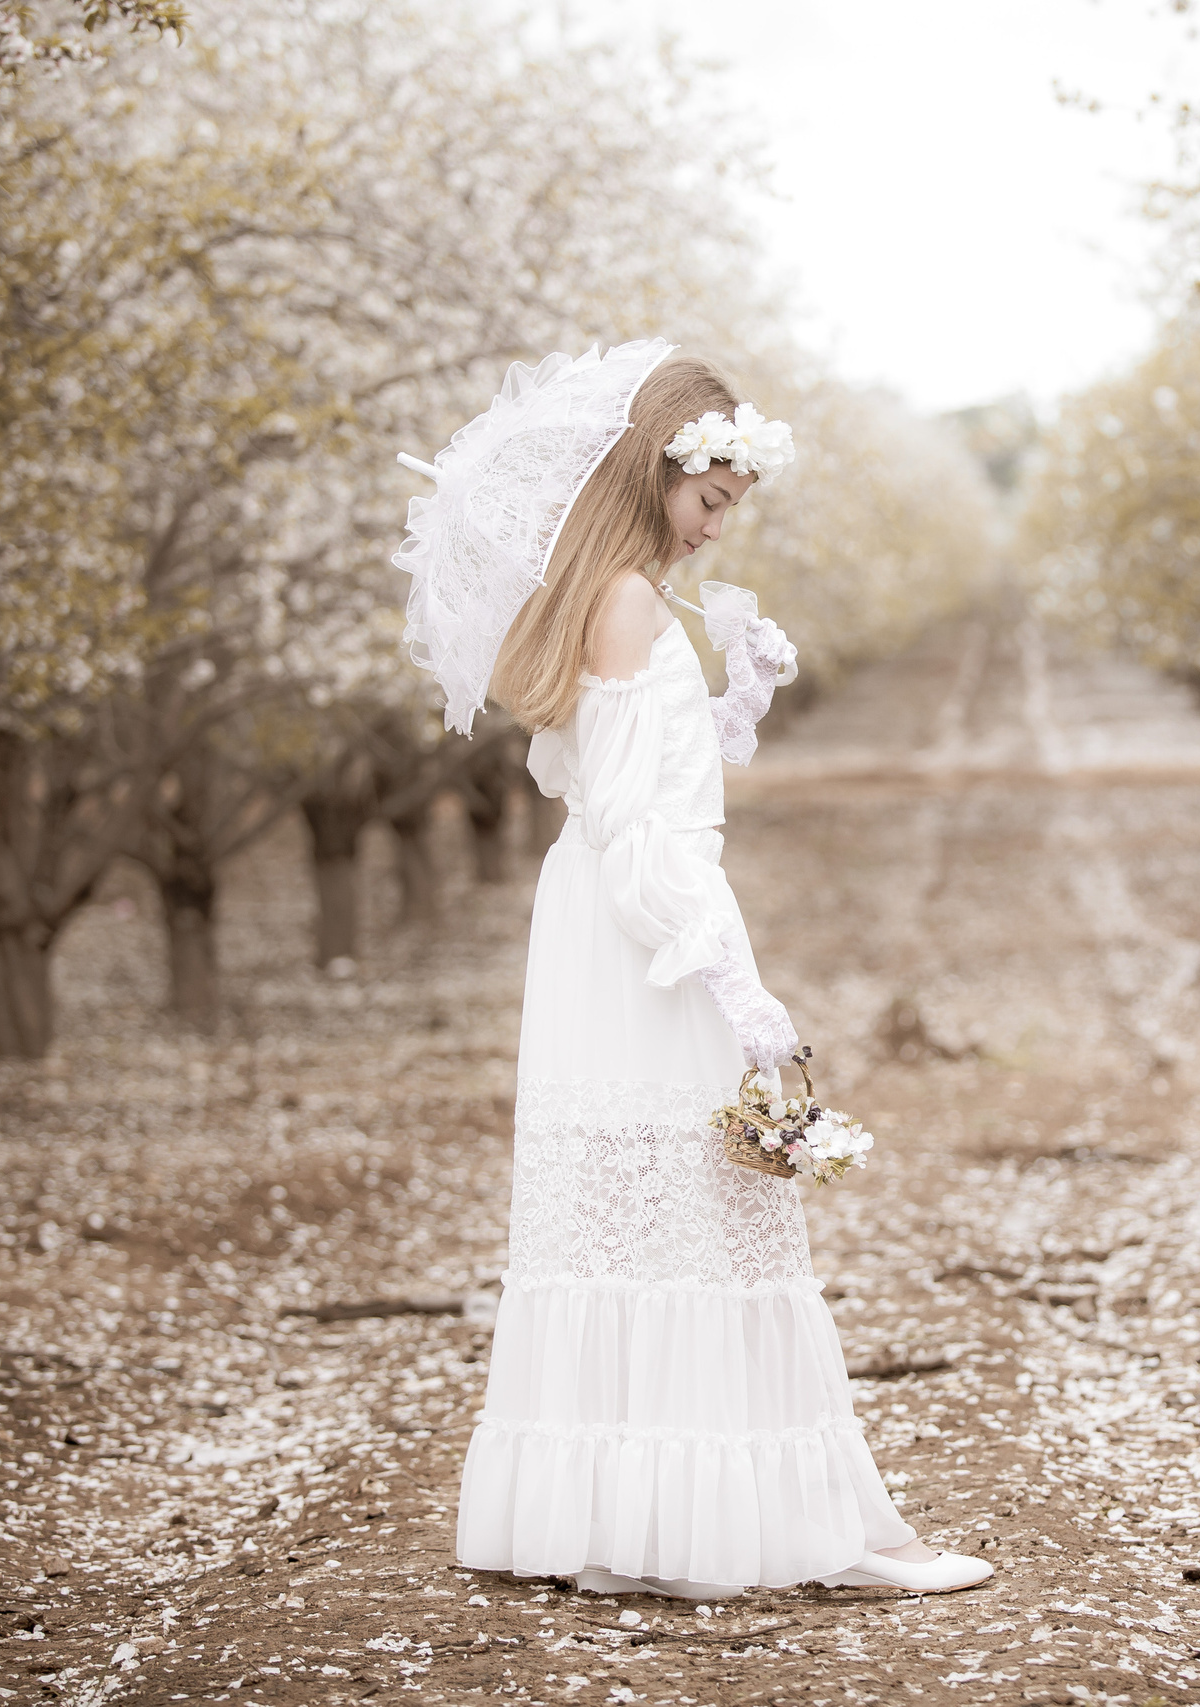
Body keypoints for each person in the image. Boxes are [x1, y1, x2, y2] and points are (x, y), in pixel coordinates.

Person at [399, 340, 991, 1599]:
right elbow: (638, 829)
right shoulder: (621, 600)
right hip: (640, 930)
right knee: (709, 1205)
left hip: (611, 921)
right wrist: (735, 983)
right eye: (710, 501)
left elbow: (637, 781)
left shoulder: (616, 599)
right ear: (652, 471)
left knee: (664, 1209)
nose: (720, 529)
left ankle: (659, 1512)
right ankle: (772, 1522)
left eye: (732, 508)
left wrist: (738, 702)